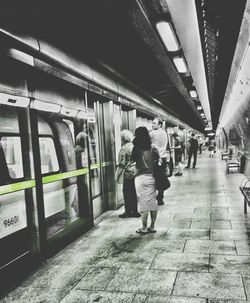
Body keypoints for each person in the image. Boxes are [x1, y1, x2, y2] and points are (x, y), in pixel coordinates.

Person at [132, 127, 159, 234]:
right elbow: (159, 159)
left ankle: (144, 227)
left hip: (140, 178)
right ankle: (152, 226)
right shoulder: (153, 147)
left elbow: (133, 160)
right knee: (152, 202)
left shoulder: (136, 148)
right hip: (152, 177)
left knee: (143, 202)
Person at [115, 130, 140, 218]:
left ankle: (128, 211)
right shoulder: (133, 146)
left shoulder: (124, 148)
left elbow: (122, 162)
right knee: (133, 191)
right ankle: (135, 211)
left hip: (126, 173)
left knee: (126, 192)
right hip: (134, 171)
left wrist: (118, 172)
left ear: (123, 138)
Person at [150, 117, 168, 205]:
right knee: (162, 178)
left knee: (153, 178)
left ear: (159, 124)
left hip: (154, 159)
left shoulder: (152, 133)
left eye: (154, 123)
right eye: (152, 123)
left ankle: (153, 197)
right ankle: (160, 198)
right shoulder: (165, 133)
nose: (152, 124)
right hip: (163, 159)